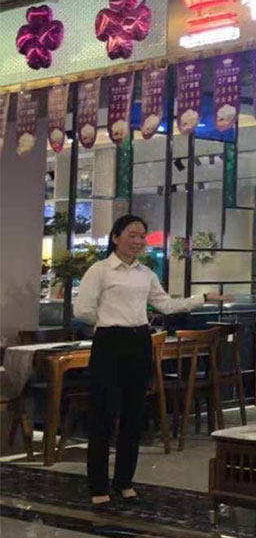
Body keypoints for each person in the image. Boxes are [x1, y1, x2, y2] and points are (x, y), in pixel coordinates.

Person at [74, 215, 230, 506]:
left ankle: (124, 481)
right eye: (131, 235)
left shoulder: (146, 274)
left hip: (140, 341)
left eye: (142, 236)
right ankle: (98, 486)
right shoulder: (100, 270)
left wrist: (202, 298)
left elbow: (166, 305)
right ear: (115, 237)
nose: (138, 241)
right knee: (103, 415)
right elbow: (83, 310)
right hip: (110, 342)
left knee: (134, 415)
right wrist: (108, 323)